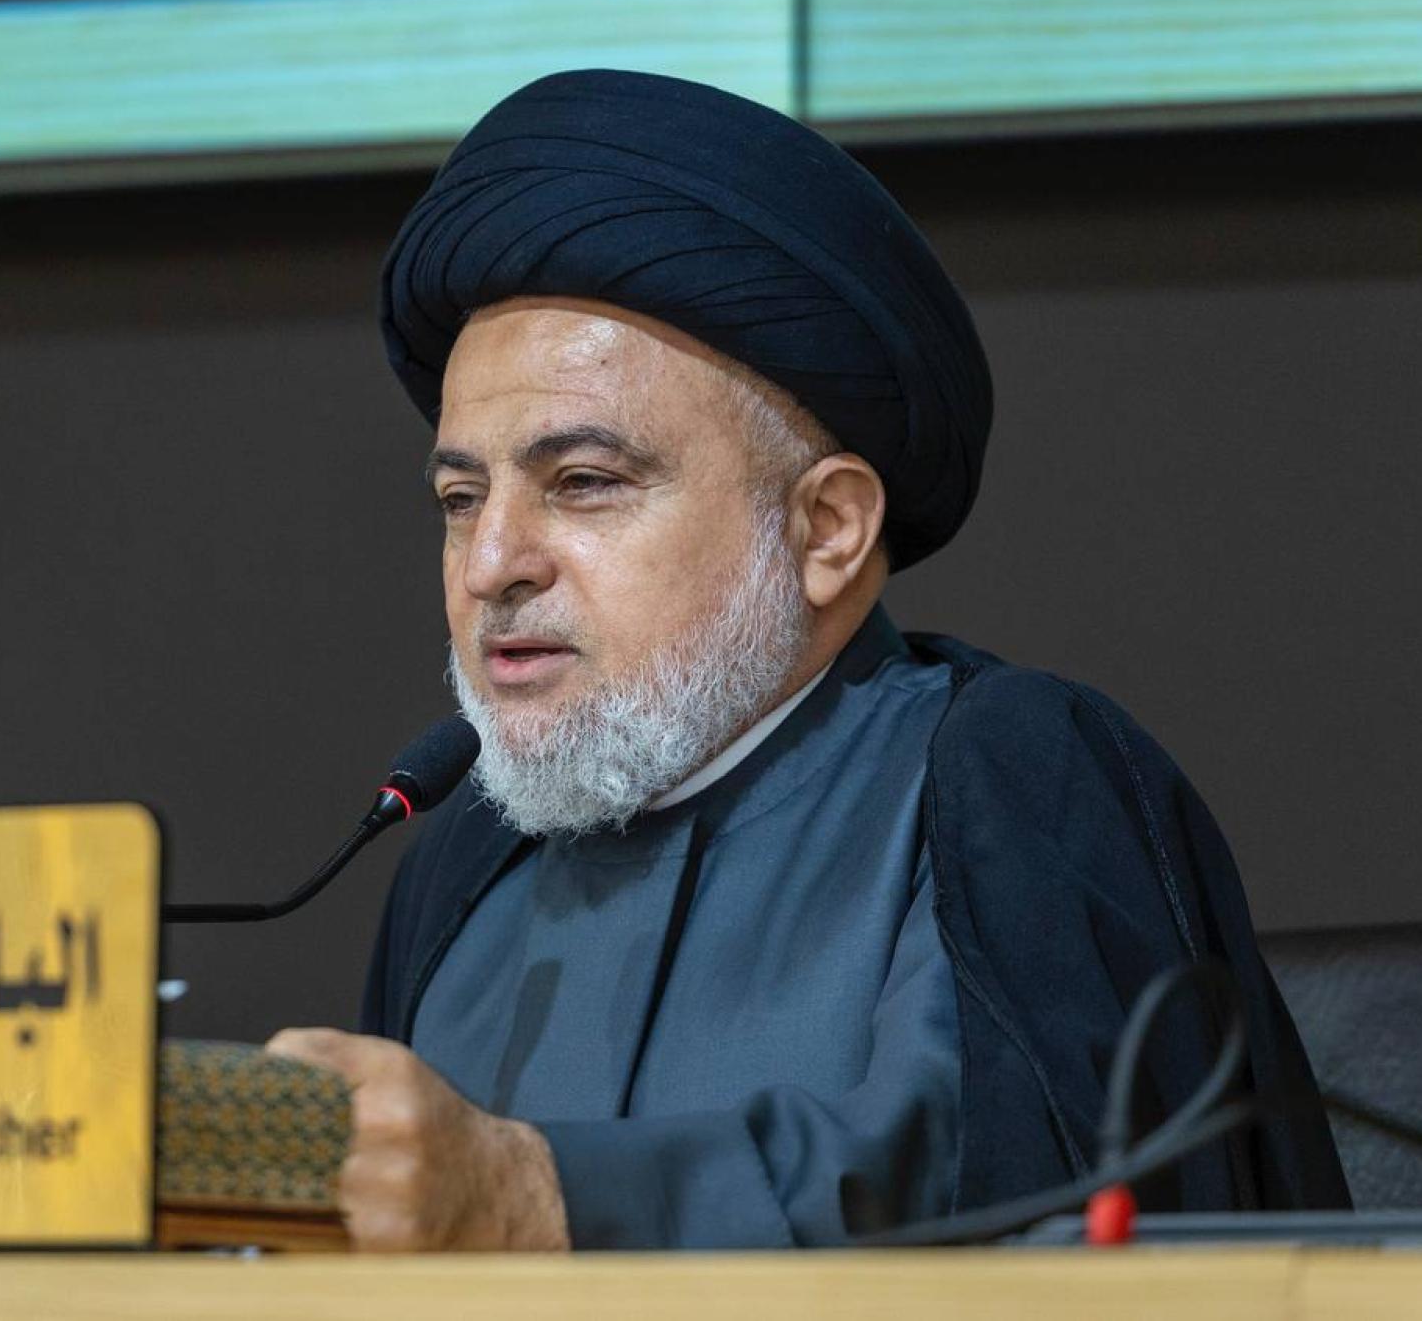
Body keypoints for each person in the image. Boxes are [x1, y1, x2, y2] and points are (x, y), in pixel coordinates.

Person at [268, 69, 1348, 1250]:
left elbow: (1003, 1198)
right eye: (459, 498)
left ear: (825, 530)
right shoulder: (464, 864)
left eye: (580, 482)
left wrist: (533, 1192)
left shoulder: (1005, 774)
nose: (489, 565)